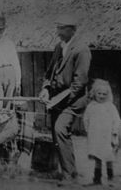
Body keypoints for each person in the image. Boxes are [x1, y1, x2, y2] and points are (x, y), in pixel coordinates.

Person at [39, 14, 92, 187]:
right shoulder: (58, 47)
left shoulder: (81, 50)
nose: (58, 32)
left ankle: (70, 178)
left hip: (73, 101)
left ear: (73, 30)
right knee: (56, 136)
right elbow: (49, 74)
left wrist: (58, 99)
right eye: (58, 28)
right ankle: (66, 172)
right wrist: (46, 89)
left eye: (62, 29)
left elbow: (79, 83)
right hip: (56, 99)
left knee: (60, 129)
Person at [83, 79, 120, 186]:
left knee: (109, 157)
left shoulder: (110, 107)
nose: (102, 96)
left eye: (104, 94)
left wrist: (114, 132)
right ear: (94, 93)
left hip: (107, 136)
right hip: (96, 136)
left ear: (108, 95)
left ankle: (110, 178)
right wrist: (88, 130)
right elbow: (86, 119)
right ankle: (97, 178)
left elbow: (116, 120)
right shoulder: (91, 106)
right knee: (97, 156)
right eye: (99, 93)